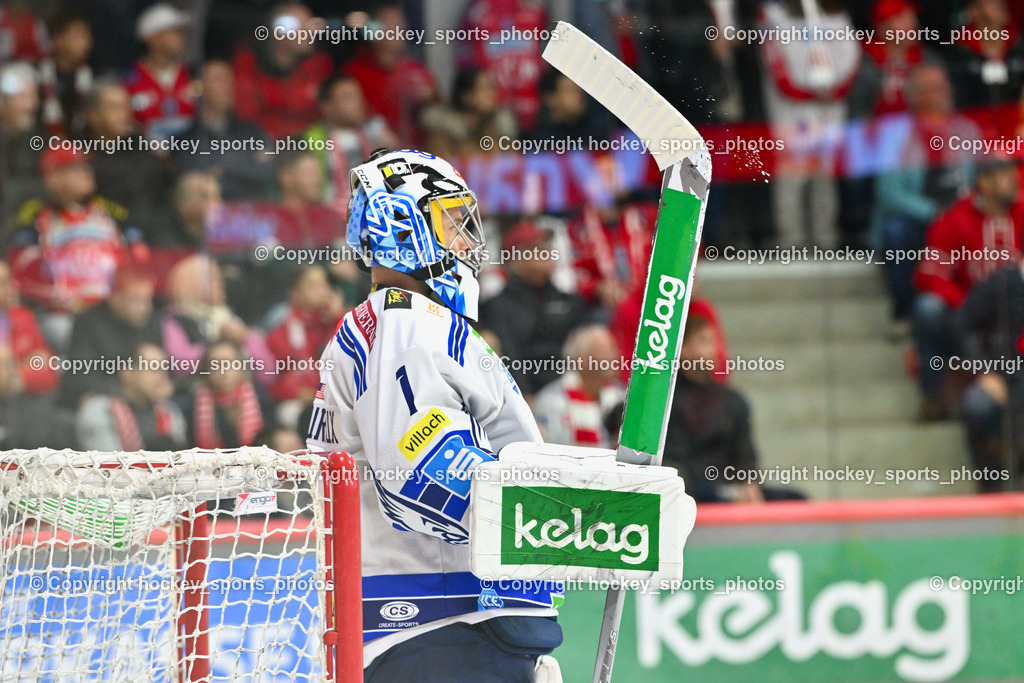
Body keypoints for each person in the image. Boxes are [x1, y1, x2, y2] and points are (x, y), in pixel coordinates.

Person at [307, 149, 562, 681]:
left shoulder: (406, 325)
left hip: (456, 633)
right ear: (402, 225)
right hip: (439, 633)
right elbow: (421, 475)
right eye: (451, 221)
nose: (467, 240)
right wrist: (578, 516)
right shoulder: (403, 323)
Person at [913, 154, 1024, 419]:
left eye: (1014, 173)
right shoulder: (955, 219)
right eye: (1004, 175)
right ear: (983, 182)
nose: (1015, 179)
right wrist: (965, 301)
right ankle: (935, 397)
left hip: (1018, 310)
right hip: (969, 313)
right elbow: (928, 275)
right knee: (928, 309)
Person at [479, 221, 589, 398]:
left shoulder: (568, 301)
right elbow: (509, 355)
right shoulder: (498, 305)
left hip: (568, 393)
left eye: (546, 246)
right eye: (537, 247)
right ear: (516, 258)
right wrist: (523, 395)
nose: (547, 251)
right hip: (525, 395)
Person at [58, 265, 163, 410]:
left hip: (146, 400)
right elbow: (80, 377)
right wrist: (126, 389)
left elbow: (163, 368)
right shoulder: (89, 323)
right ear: (115, 298)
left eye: (148, 300)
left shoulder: (152, 322)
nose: (145, 308)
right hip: (105, 401)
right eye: (137, 301)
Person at [174, 58, 274, 200]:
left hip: (250, 214)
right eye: (219, 80)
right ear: (199, 88)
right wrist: (245, 164)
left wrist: (221, 169)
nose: (228, 86)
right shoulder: (185, 140)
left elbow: (266, 173)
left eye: (229, 80)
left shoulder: (252, 132)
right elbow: (194, 188)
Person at [232, 2, 333, 140]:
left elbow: (329, 116)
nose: (310, 32)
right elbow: (246, 117)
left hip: (311, 149)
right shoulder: (248, 64)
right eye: (301, 26)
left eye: (310, 25)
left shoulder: (319, 66)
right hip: (263, 147)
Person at [342, 3, 439, 144]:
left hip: (420, 151)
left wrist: (429, 96)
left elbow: (438, 104)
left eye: (401, 25)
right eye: (392, 26)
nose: (401, 31)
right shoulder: (354, 72)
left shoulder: (416, 69)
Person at [303, 74, 397, 215]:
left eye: (358, 96)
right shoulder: (312, 139)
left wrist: (392, 150)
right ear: (326, 107)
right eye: (347, 97)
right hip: (330, 218)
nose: (358, 103)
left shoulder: (374, 134)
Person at [266, 264, 345, 428]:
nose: (323, 291)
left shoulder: (341, 322)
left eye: (324, 284)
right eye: (313, 285)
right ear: (294, 293)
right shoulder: (281, 335)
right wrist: (296, 393)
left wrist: (339, 316)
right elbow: (270, 383)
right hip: (304, 405)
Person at [76, 341, 187, 451]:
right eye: (153, 367)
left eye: (164, 368)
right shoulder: (99, 411)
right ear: (127, 372)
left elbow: (178, 464)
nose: (162, 375)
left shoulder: (169, 412)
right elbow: (107, 465)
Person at [532, 324, 624, 448]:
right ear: (583, 360)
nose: (614, 356)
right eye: (605, 351)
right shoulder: (552, 402)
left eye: (613, 349)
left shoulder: (621, 396)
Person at [124, 3, 196, 143]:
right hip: (144, 158)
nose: (181, 37)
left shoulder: (192, 75)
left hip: (189, 156)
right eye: (174, 32)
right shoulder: (130, 81)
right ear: (153, 38)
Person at [38, 11, 93, 136]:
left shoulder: (90, 74)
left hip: (82, 142)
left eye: (87, 35)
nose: (86, 41)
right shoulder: (38, 76)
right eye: (78, 36)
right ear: (57, 40)